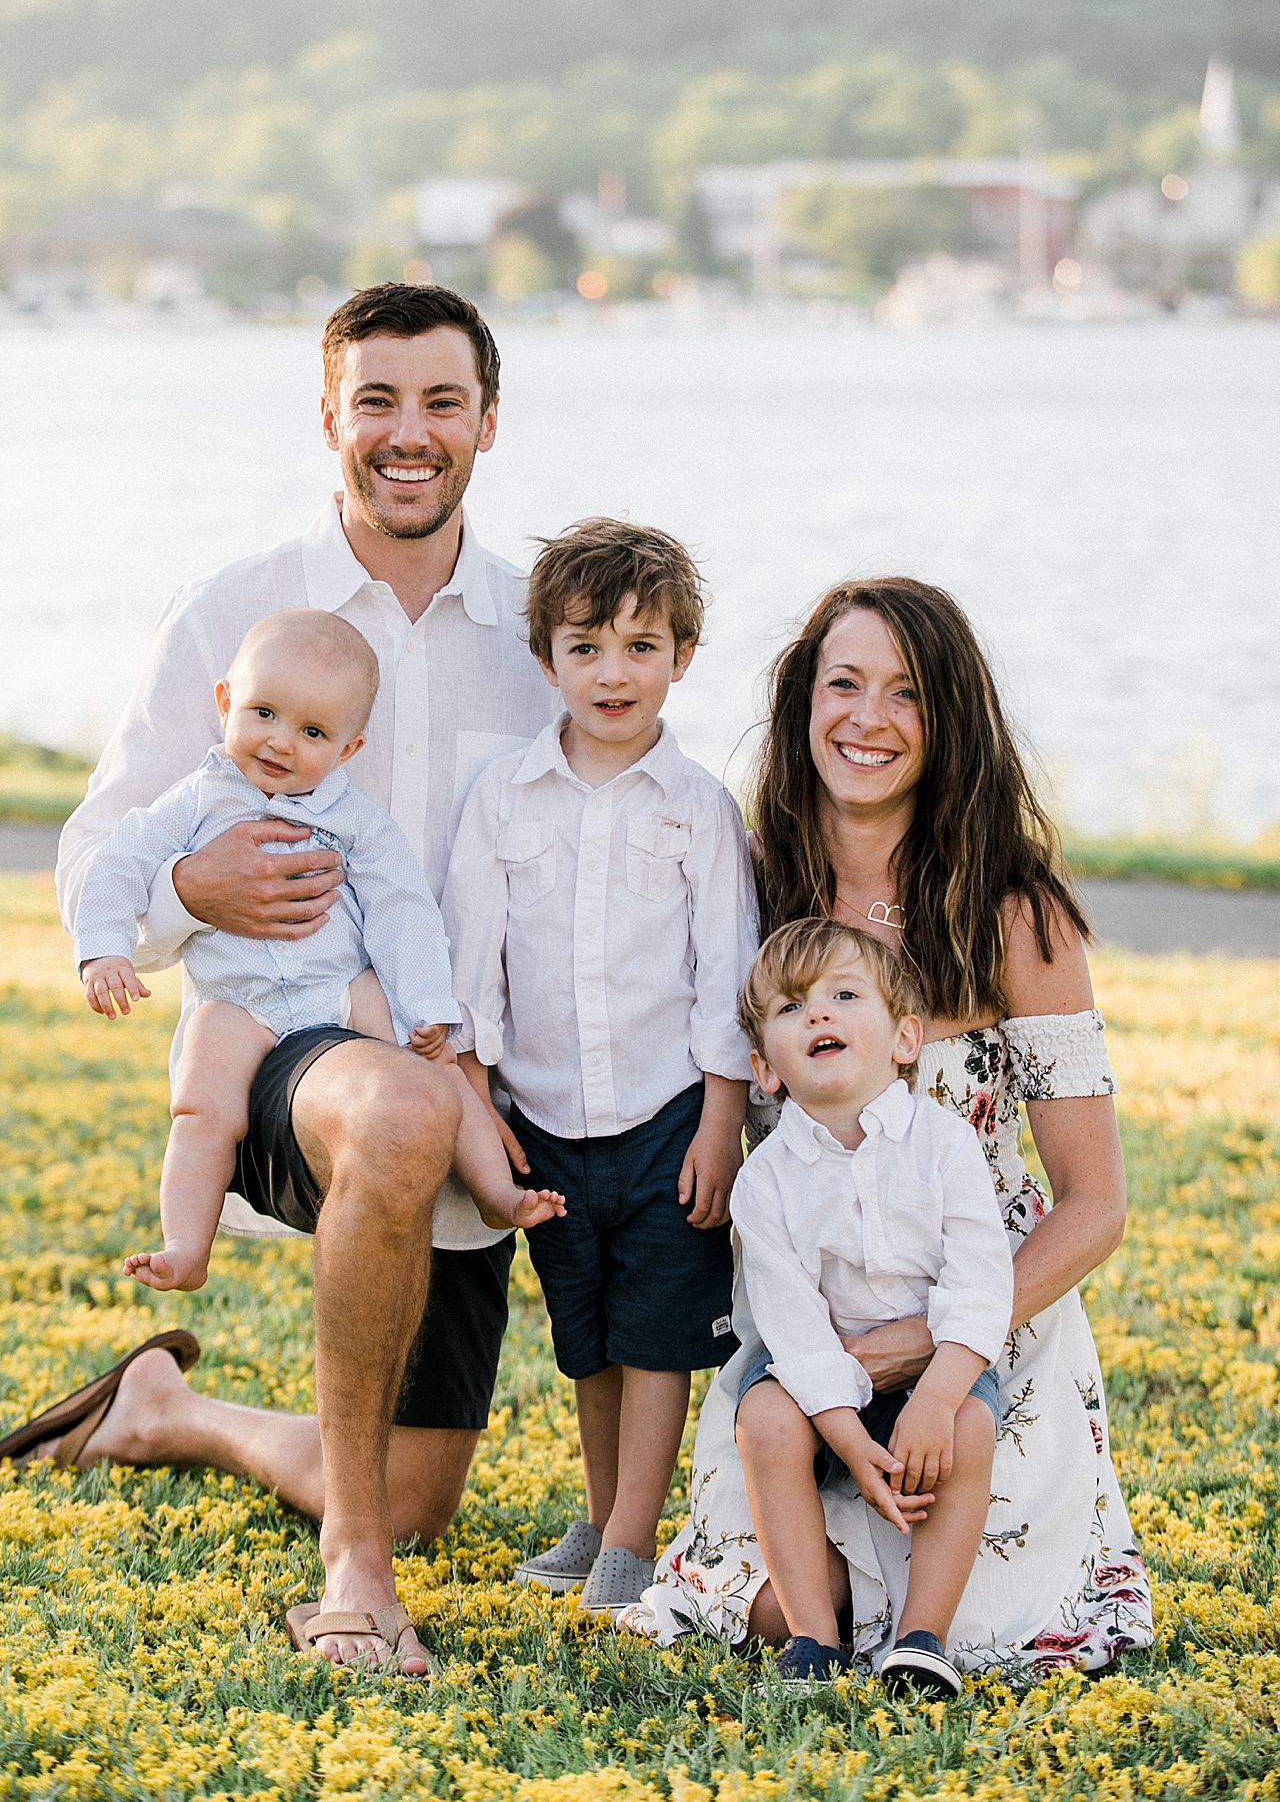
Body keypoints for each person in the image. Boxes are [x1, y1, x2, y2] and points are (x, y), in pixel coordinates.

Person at [20, 282, 557, 1672]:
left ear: (488, 424)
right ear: (330, 418)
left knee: (421, 1486)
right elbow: (99, 848)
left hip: (463, 1052)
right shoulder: (234, 612)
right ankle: (353, 1582)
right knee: (395, 1110)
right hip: (289, 1050)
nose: (408, 432)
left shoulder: (545, 631)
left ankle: (165, 1409)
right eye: (376, 400)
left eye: (441, 402)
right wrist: (187, 896)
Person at [624, 576, 1154, 1677]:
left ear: (947, 719)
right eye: (843, 684)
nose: (866, 719)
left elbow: (1095, 1204)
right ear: (800, 701)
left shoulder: (1014, 913)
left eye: (904, 695)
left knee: (972, 1624)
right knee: (767, 1611)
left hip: (983, 1316)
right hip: (803, 1313)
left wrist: (937, 1343)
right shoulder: (746, 880)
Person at [443, 517, 760, 1613]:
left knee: (655, 1334)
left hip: (669, 1116)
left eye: (640, 646)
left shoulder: (698, 811)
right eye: (584, 647)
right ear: (544, 661)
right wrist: (478, 1104)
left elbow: (727, 975)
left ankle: (633, 1543)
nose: (611, 672)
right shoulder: (503, 798)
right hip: (540, 1116)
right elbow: (468, 964)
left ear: (681, 657)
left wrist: (722, 1123)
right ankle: (600, 1514)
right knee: (584, 1339)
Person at [75, 608, 564, 1295]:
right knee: (199, 1102)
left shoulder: (353, 818)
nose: (280, 743)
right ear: (225, 703)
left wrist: (426, 1009)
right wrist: (103, 950)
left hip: (339, 985)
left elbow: (403, 910)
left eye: (311, 732)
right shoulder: (197, 799)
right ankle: (186, 1246)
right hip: (237, 1002)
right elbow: (119, 862)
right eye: (264, 713)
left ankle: (496, 1197)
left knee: (438, 1063)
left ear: (349, 748)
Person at [731, 918, 1012, 1694]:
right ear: (766, 1069)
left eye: (844, 996)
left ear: (905, 1038)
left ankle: (923, 1637)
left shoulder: (947, 1144)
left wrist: (937, 1395)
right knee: (764, 1418)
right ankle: (815, 1639)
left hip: (936, 1369)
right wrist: (849, 1440)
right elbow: (790, 1325)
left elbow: (981, 1285)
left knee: (970, 1425)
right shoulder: (765, 1181)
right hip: (817, 1371)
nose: (817, 1015)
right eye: (791, 1008)